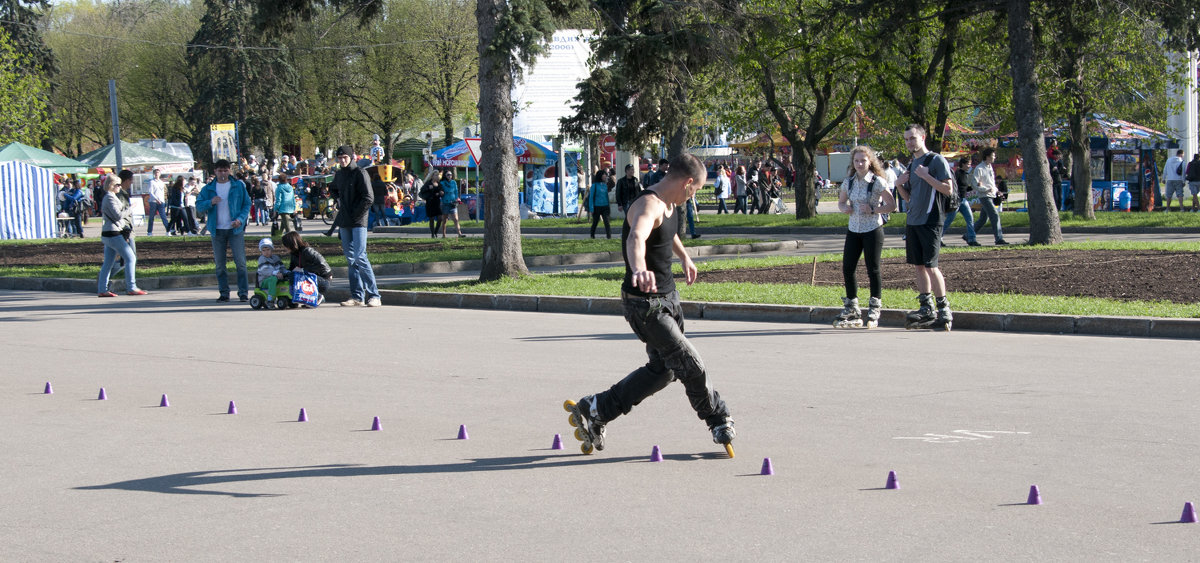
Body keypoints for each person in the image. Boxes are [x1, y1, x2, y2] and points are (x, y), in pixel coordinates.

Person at [564, 152, 735, 455]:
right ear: (687, 183)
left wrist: (684, 256)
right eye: (695, 190)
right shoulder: (647, 204)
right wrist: (639, 267)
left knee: (664, 370)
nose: (693, 196)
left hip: (668, 297)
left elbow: (665, 234)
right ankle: (717, 417)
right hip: (645, 305)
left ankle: (596, 409)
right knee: (687, 361)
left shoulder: (668, 204)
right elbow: (637, 238)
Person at [895, 124, 954, 331]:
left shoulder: (935, 160)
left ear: (922, 137)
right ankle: (926, 307)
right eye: (906, 139)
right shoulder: (912, 164)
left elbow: (948, 189)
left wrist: (927, 176)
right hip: (913, 221)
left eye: (912, 138)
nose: (910, 142)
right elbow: (909, 199)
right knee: (918, 266)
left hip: (931, 220)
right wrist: (899, 184)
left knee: (931, 265)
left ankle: (944, 309)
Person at [834, 146, 896, 329]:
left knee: (873, 268)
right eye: (856, 161)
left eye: (863, 160)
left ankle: (875, 306)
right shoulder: (849, 182)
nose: (860, 164)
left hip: (872, 228)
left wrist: (874, 209)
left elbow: (892, 205)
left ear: (870, 162)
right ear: (852, 163)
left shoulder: (877, 182)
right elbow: (841, 202)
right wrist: (844, 208)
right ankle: (852, 306)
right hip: (854, 228)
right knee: (848, 267)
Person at [196, 159, 252, 303]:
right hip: (217, 229)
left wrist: (240, 219)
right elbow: (199, 206)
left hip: (235, 229)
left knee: (240, 263)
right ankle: (224, 292)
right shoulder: (208, 188)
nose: (223, 173)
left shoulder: (238, 185)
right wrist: (210, 202)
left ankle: (243, 292)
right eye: (220, 171)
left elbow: (247, 204)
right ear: (215, 171)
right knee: (220, 264)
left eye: (225, 170)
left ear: (229, 171)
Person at [331, 145, 381, 307]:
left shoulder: (360, 173)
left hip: (359, 220)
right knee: (351, 259)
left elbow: (368, 197)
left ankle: (374, 295)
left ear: (351, 157)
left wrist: (355, 214)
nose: (342, 160)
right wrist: (337, 200)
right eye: (339, 158)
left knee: (360, 256)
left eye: (344, 157)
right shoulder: (339, 174)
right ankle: (357, 296)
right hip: (345, 220)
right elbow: (332, 189)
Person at [97, 174, 147, 297]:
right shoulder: (110, 197)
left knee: (108, 263)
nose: (120, 187)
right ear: (111, 185)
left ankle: (102, 289)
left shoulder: (111, 196)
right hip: (113, 233)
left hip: (110, 233)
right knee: (131, 258)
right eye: (117, 185)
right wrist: (131, 208)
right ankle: (131, 286)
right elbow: (117, 215)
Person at [281, 231, 332, 302]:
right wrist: (283, 274)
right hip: (310, 278)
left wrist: (303, 270)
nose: (284, 248)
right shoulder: (294, 254)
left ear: (291, 244)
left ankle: (317, 296)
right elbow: (292, 269)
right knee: (293, 275)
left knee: (298, 276)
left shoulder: (307, 251)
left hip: (323, 280)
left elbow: (321, 265)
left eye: (285, 245)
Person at [971, 148, 1008, 246]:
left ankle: (969, 234)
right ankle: (999, 238)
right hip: (984, 196)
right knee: (995, 215)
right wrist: (985, 189)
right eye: (993, 155)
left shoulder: (990, 167)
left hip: (991, 195)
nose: (995, 157)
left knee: (983, 219)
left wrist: (997, 191)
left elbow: (991, 183)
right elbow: (974, 184)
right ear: (987, 156)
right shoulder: (979, 168)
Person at [943, 156, 979, 247]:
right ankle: (938, 238)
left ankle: (971, 238)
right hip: (956, 200)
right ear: (963, 164)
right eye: (968, 164)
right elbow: (955, 186)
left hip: (964, 200)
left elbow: (965, 188)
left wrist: (974, 187)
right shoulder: (958, 173)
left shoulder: (966, 174)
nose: (969, 166)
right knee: (948, 220)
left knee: (970, 219)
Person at [255, 237, 287, 307]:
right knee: (273, 279)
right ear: (261, 251)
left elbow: (282, 267)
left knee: (287, 279)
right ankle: (270, 299)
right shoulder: (262, 259)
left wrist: (285, 272)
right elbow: (265, 270)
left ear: (271, 249)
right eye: (264, 250)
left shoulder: (276, 258)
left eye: (268, 250)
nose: (266, 252)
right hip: (264, 280)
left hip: (276, 277)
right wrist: (275, 273)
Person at [587, 169, 612, 238]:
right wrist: (591, 208)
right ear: (600, 176)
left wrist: (608, 206)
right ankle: (592, 235)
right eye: (604, 175)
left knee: (607, 222)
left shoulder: (605, 185)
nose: (605, 176)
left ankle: (609, 236)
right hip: (597, 207)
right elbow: (591, 197)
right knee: (595, 222)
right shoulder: (594, 185)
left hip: (605, 206)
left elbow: (606, 196)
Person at [145, 168, 169, 236]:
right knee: (151, 217)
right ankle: (149, 232)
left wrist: (163, 200)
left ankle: (168, 230)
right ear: (154, 174)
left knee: (163, 216)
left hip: (161, 201)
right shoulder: (151, 182)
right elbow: (151, 192)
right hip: (153, 202)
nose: (157, 174)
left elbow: (163, 192)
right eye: (155, 173)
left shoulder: (161, 182)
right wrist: (156, 199)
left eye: (158, 173)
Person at [440, 169, 463, 238]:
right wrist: (441, 193)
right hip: (445, 203)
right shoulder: (442, 183)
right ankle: (444, 235)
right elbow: (440, 191)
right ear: (445, 176)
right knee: (444, 220)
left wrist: (457, 198)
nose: (449, 176)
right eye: (448, 175)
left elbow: (456, 191)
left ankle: (459, 233)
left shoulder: (454, 182)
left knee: (456, 219)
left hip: (452, 203)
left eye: (450, 175)